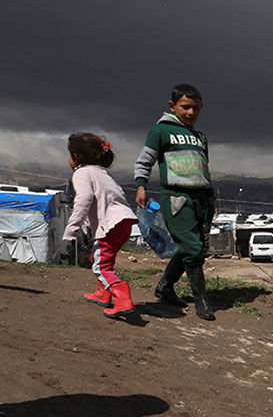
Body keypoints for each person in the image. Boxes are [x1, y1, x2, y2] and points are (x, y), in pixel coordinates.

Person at [134, 84, 216, 320]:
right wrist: (141, 185)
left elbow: (204, 168)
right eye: (186, 107)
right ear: (173, 106)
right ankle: (202, 300)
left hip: (201, 198)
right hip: (176, 197)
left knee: (196, 246)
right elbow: (144, 160)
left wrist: (210, 196)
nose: (191, 112)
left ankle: (165, 287)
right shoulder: (161, 131)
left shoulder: (200, 137)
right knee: (191, 248)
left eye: (196, 108)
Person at [62, 133, 139, 319]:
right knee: (101, 257)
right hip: (125, 222)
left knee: (101, 266)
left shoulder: (81, 172)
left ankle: (122, 299)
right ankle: (103, 293)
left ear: (75, 156)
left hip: (110, 225)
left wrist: (72, 229)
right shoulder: (102, 172)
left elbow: (84, 199)